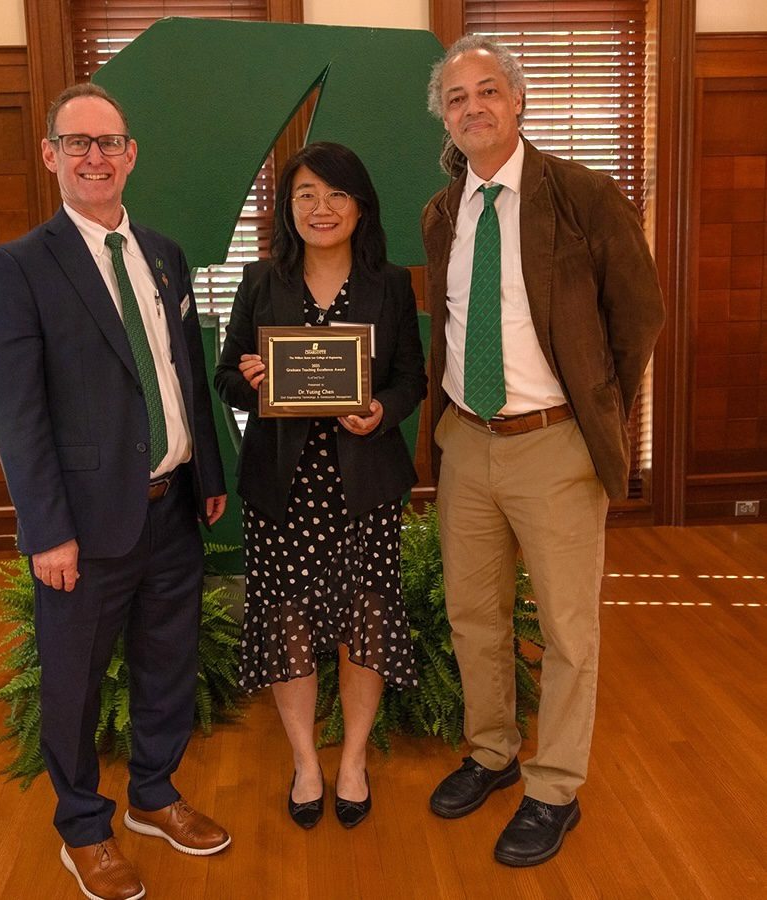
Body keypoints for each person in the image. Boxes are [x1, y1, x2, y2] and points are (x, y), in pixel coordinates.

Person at [0, 83, 231, 900]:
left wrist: (210, 475)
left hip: (175, 508)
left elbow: (186, 374)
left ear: (131, 156)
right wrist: (47, 530)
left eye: (110, 142)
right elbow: (17, 414)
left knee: (167, 664)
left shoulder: (162, 252)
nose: (95, 156)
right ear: (50, 154)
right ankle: (83, 825)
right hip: (83, 528)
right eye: (77, 142)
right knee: (75, 681)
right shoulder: (18, 268)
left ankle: (155, 794)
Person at [422, 36, 664, 866]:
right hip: (465, 441)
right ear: (445, 119)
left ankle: (554, 786)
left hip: (554, 443)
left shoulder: (585, 197)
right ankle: (491, 753)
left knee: (567, 630)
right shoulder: (443, 211)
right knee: (473, 614)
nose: (474, 108)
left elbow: (638, 318)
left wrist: (595, 408)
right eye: (457, 99)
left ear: (518, 101)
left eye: (488, 91)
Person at [215, 142, 427, 830]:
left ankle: (354, 759)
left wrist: (381, 412)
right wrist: (248, 383)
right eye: (305, 194)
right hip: (282, 493)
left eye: (335, 194)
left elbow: (409, 380)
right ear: (287, 207)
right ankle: (306, 760)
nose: (321, 208)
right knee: (289, 627)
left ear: (360, 205)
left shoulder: (391, 284)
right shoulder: (261, 280)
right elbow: (224, 376)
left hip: (362, 489)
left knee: (363, 622)